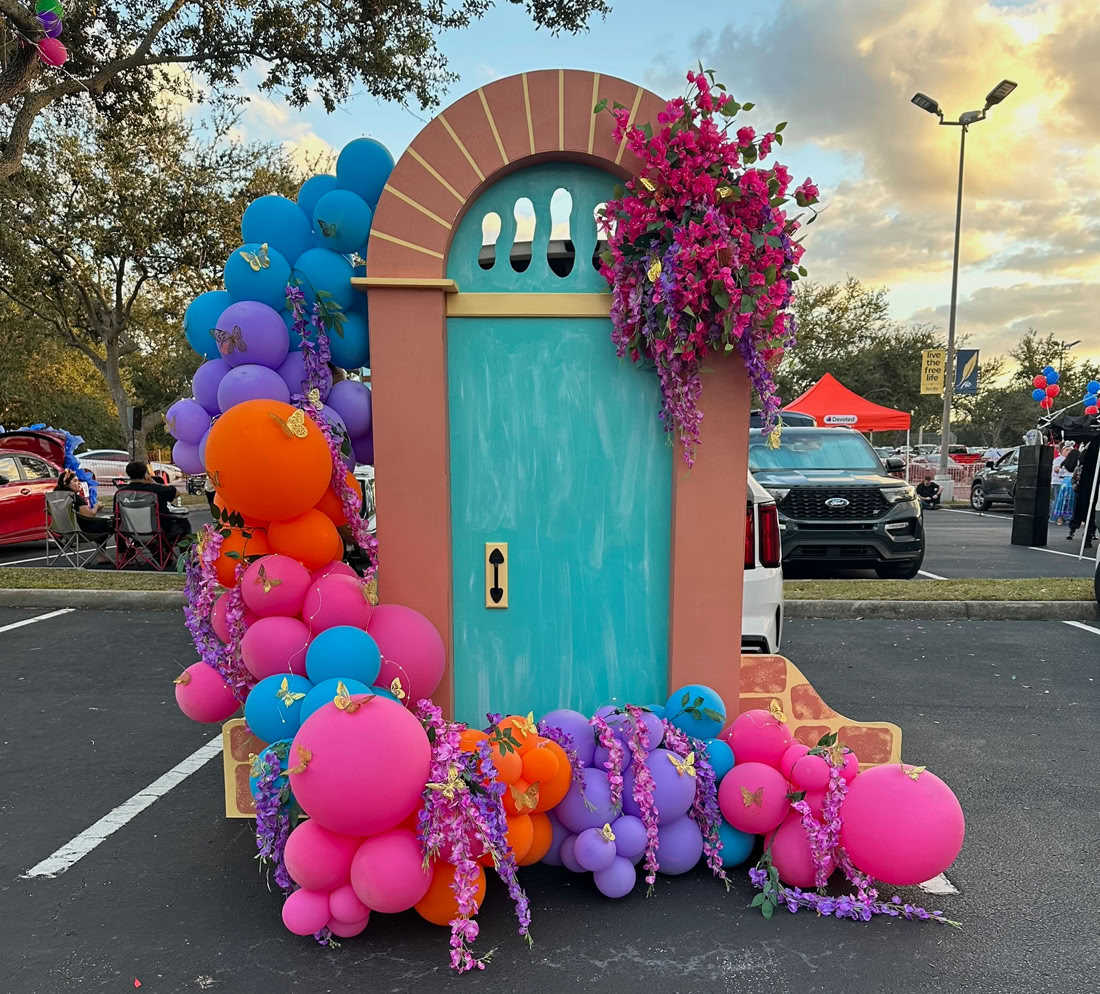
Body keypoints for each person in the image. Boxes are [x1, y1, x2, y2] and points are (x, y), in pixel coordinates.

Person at [117, 460, 192, 542]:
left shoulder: (120, 493)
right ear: (146, 474)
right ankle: (186, 554)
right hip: (159, 531)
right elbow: (177, 493)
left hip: (131, 533)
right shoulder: (157, 489)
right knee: (184, 523)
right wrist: (154, 483)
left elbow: (118, 516)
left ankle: (157, 553)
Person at [53, 469, 113, 565]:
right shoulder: (76, 498)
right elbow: (89, 515)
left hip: (61, 530)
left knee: (102, 523)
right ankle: (110, 554)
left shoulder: (56, 498)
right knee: (110, 523)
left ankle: (103, 555)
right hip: (81, 531)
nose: (79, 483)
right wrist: (97, 507)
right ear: (67, 484)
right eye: (75, 481)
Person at [1068, 441, 1097, 548]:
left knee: (1085, 511)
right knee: (1086, 511)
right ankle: (1086, 535)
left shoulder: (1090, 446)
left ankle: (1086, 535)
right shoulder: (1091, 446)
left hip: (1086, 486)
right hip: (1088, 485)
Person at [1050, 443, 1076, 525]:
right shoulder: (1059, 459)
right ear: (1062, 451)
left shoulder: (1072, 460)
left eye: (1070, 450)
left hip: (1066, 482)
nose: (1068, 451)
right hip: (1058, 482)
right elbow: (1056, 469)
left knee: (1067, 501)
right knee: (1058, 500)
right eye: (1066, 450)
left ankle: (1065, 517)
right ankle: (1054, 517)